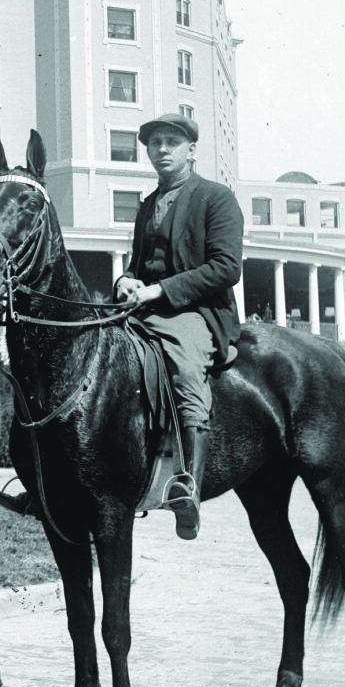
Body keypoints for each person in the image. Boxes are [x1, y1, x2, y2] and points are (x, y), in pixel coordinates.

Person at [113, 114, 244, 540]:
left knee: (186, 370)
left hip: (196, 311)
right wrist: (125, 281)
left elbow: (226, 268)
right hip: (145, 308)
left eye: (172, 142)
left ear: (191, 150)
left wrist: (158, 291)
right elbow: (137, 264)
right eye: (154, 144)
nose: (162, 150)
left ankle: (188, 483)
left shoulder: (216, 197)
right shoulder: (148, 204)